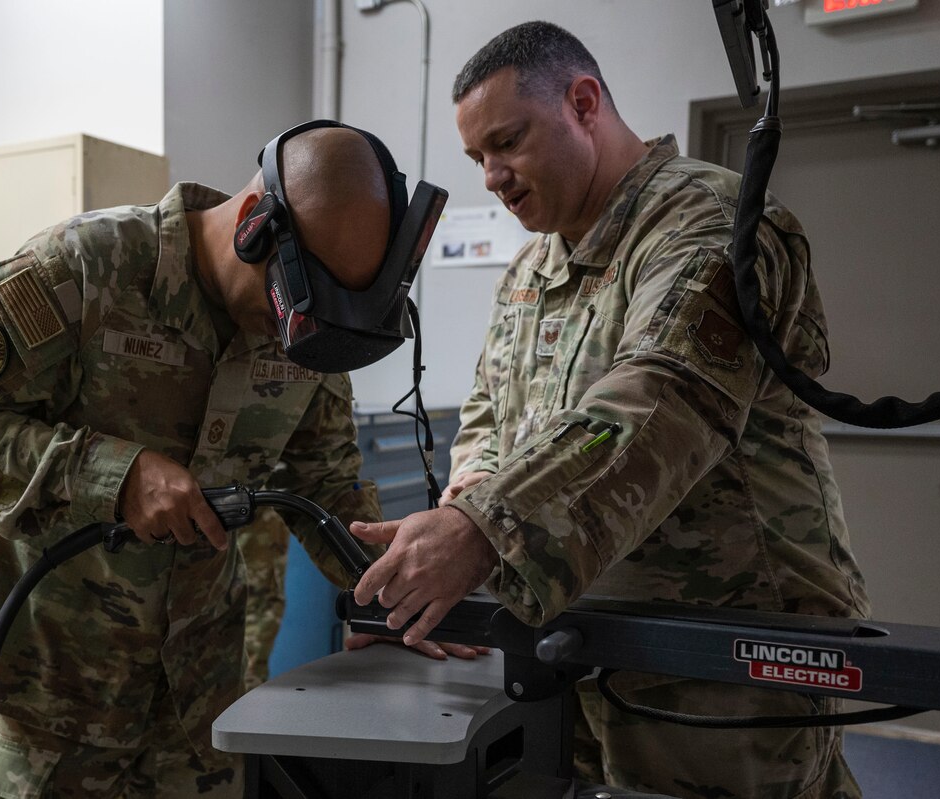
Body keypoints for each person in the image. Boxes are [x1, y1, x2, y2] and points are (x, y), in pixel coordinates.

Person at [349, 21, 870, 799]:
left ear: (584, 102)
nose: (492, 176)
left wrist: (482, 531)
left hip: (722, 651)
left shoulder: (711, 225)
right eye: (477, 159)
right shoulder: (533, 266)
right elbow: (491, 412)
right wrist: (469, 499)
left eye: (508, 142)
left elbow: (658, 399)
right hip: (578, 640)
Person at [0, 123, 478, 799]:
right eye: (286, 309)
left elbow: (323, 479)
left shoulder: (306, 327)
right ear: (251, 225)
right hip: (60, 704)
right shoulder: (88, 267)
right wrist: (111, 475)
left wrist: (389, 601)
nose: (289, 338)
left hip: (200, 703)